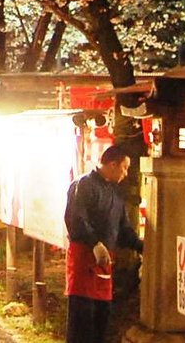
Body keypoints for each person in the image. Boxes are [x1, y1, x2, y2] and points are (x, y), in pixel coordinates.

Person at [64, 144, 143, 343]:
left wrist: (143, 246)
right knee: (82, 320)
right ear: (112, 164)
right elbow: (75, 219)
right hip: (83, 260)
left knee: (101, 318)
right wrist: (95, 243)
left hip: (105, 264)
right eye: (124, 167)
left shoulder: (116, 193)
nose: (126, 173)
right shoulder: (83, 184)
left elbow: (124, 230)